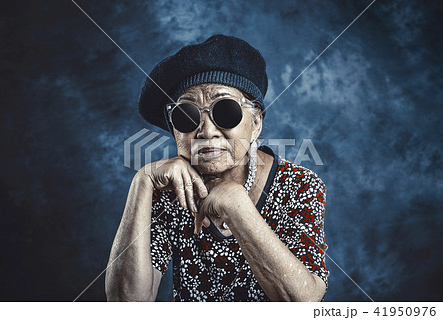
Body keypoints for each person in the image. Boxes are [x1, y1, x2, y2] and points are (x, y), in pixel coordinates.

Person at [105, 34, 328, 302]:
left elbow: (305, 302)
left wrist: (237, 205)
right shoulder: (166, 191)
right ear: (175, 132)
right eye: (187, 115)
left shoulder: (299, 185)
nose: (207, 131)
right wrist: (142, 182)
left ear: (255, 124)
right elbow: (127, 305)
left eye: (226, 112)